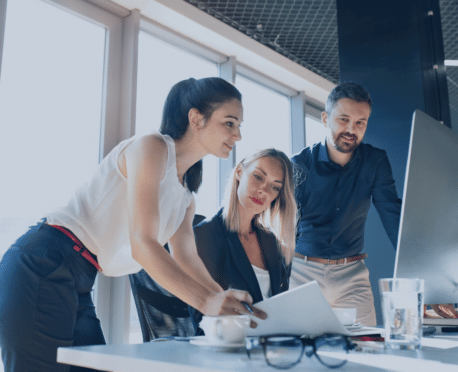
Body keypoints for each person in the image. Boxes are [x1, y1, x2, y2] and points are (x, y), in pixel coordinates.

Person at [0, 77, 265, 372]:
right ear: (196, 118)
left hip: (81, 276)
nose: (238, 135)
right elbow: (143, 244)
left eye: (239, 125)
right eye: (229, 123)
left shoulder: (186, 198)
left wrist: (224, 303)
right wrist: (206, 303)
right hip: (43, 261)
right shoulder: (151, 147)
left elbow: (187, 258)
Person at [289, 82, 401, 326]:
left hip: (352, 276)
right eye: (344, 119)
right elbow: (287, 226)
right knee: (296, 351)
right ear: (325, 118)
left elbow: (392, 215)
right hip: (301, 272)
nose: (352, 129)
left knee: (367, 352)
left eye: (360, 122)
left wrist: (414, 262)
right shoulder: (299, 164)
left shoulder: (376, 161)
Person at [189, 148, 297, 332]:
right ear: (239, 172)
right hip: (230, 345)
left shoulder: (271, 242)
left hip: (272, 345)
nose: (263, 189)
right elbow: (202, 319)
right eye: (258, 176)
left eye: (274, 187)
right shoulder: (204, 236)